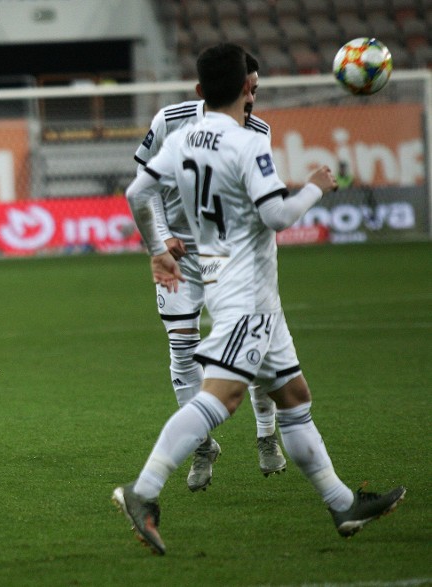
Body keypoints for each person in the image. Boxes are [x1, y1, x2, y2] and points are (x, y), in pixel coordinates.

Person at [113, 43, 405, 555]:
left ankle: (342, 504)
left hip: (238, 283)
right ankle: (143, 492)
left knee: (294, 399)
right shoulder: (249, 142)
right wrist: (315, 187)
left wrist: (157, 249)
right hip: (245, 290)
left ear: (201, 91)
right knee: (219, 399)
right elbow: (278, 217)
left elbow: (138, 192)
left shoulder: (183, 136)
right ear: (250, 87)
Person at [128, 52, 286, 491]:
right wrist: (159, 241)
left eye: (255, 89)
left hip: (230, 256)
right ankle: (202, 446)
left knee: (251, 349)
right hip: (178, 257)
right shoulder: (170, 121)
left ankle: (266, 434)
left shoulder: (257, 131)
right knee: (182, 348)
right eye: (246, 88)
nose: (250, 98)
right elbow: (145, 187)